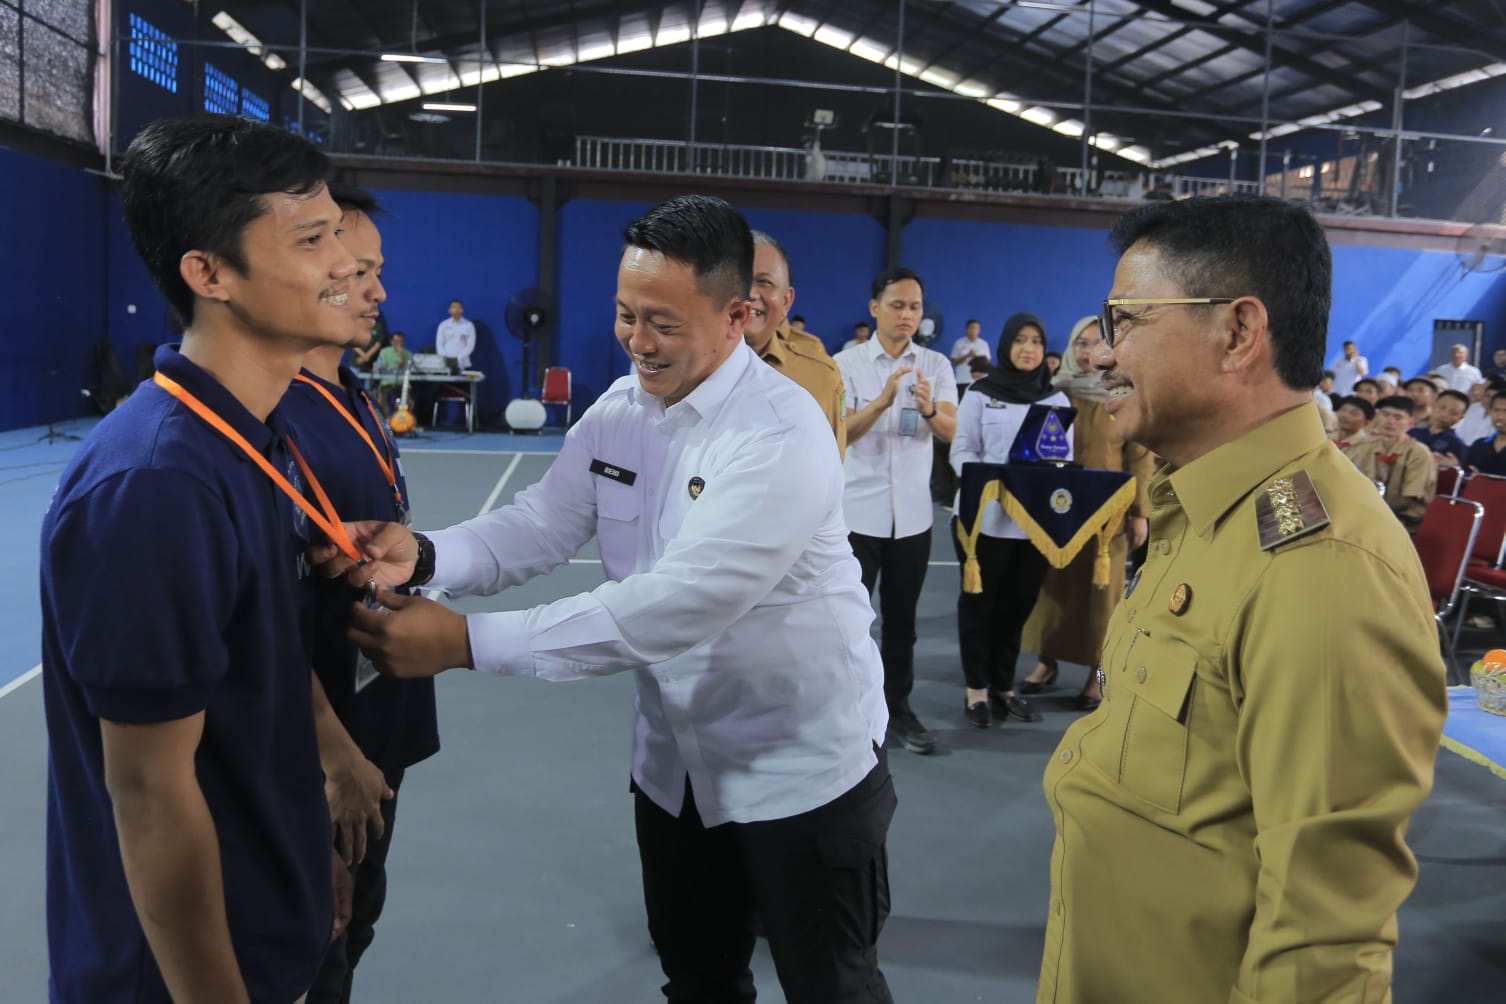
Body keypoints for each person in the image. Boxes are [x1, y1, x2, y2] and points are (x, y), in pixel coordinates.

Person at [316, 195, 896, 1004]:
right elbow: (543, 522)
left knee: (832, 987)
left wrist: (465, 643)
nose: (636, 340)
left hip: (798, 770)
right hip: (674, 771)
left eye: (662, 323)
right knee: (698, 982)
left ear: (737, 317)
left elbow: (677, 605)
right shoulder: (620, 411)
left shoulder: (781, 432)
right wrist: (428, 554)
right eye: (626, 315)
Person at [1040, 195, 1445, 1004]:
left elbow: (1321, 942)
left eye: (1127, 320)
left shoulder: (1322, 568)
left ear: (1237, 333)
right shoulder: (1204, 508)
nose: (1105, 353)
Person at [40, 114, 354, 1004]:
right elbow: (149, 793)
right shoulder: (155, 487)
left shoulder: (252, 436)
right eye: (312, 240)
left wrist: (304, 858)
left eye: (336, 232)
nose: (345, 263)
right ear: (208, 274)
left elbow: (255, 686)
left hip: (266, 928)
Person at [280, 184, 440, 1004]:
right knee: (315, 947)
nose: (376, 290)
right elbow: (259, 617)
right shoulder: (271, 416)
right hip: (317, 750)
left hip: (375, 723)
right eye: (355, 270)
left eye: (375, 270)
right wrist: (328, 753)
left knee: (354, 927)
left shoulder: (352, 394)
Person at [835, 267, 959, 754]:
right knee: (849, 622)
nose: (907, 315)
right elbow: (841, 432)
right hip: (856, 516)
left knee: (902, 623)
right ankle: (846, 712)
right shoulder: (844, 363)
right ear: (875, 308)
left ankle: (898, 709)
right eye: (897, 305)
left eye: (914, 307)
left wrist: (928, 410)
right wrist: (883, 401)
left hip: (911, 518)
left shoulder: (936, 365)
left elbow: (952, 431)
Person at [1019, 315, 1155, 712]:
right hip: (1056, 511)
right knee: (1051, 590)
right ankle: (1046, 662)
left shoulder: (1122, 391)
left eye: (1098, 342)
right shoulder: (1052, 393)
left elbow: (1140, 456)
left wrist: (1140, 512)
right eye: (1081, 342)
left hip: (1106, 514)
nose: (1087, 351)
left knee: (1102, 597)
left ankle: (1098, 675)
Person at [949, 312, 1075, 727]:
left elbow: (1064, 460)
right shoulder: (981, 394)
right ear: (1005, 345)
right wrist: (990, 484)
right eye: (1020, 340)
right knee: (979, 606)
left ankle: (1004, 686)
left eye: (1036, 341)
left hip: (1033, 525)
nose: (1028, 349)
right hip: (984, 520)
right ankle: (976, 690)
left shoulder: (1056, 402)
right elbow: (962, 451)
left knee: (1017, 607)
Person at [744, 230, 846, 454]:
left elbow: (830, 466)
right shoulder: (685, 372)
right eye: (739, 279)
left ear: (786, 301)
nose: (750, 293)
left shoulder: (820, 377)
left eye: (764, 282)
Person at [1343, 396, 1437, 532]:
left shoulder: (1419, 453)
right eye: (1385, 414)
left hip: (1403, 519)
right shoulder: (1366, 445)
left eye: (1398, 417)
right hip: (1366, 510)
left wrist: (1370, 510)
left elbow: (1408, 500)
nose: (1390, 421)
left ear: (1410, 422)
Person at [1410, 387, 1468, 464]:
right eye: (1442, 408)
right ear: (1433, 405)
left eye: (1453, 413)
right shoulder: (1412, 432)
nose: (1444, 414)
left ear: (1460, 418)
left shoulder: (1457, 445)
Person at [1461, 390, 1506, 476]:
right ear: (1490, 412)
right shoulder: (1479, 445)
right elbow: (1465, 474)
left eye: (1505, 411)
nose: (1500, 416)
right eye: (1496, 410)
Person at [374, 331, 412, 418]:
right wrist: (378, 367)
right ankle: (386, 420)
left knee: (409, 402)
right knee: (382, 401)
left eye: (400, 341)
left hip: (402, 384)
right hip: (387, 383)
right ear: (391, 341)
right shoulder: (384, 352)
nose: (398, 343)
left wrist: (400, 356)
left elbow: (408, 369)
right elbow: (379, 366)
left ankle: (403, 421)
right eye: (396, 341)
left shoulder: (407, 353)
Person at [950, 318, 991, 390]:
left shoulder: (984, 344)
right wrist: (967, 355)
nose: (973, 331)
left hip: (979, 380)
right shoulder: (959, 343)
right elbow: (954, 362)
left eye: (976, 328)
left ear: (979, 330)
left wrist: (977, 358)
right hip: (962, 379)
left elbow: (987, 362)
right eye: (971, 328)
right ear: (966, 329)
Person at [434, 298, 476, 369]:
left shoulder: (469, 325)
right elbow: (439, 344)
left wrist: (458, 358)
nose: (456, 309)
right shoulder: (443, 325)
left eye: (459, 307)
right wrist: (446, 358)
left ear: (462, 310)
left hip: (463, 363)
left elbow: (470, 346)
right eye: (453, 307)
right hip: (445, 363)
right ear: (449, 310)